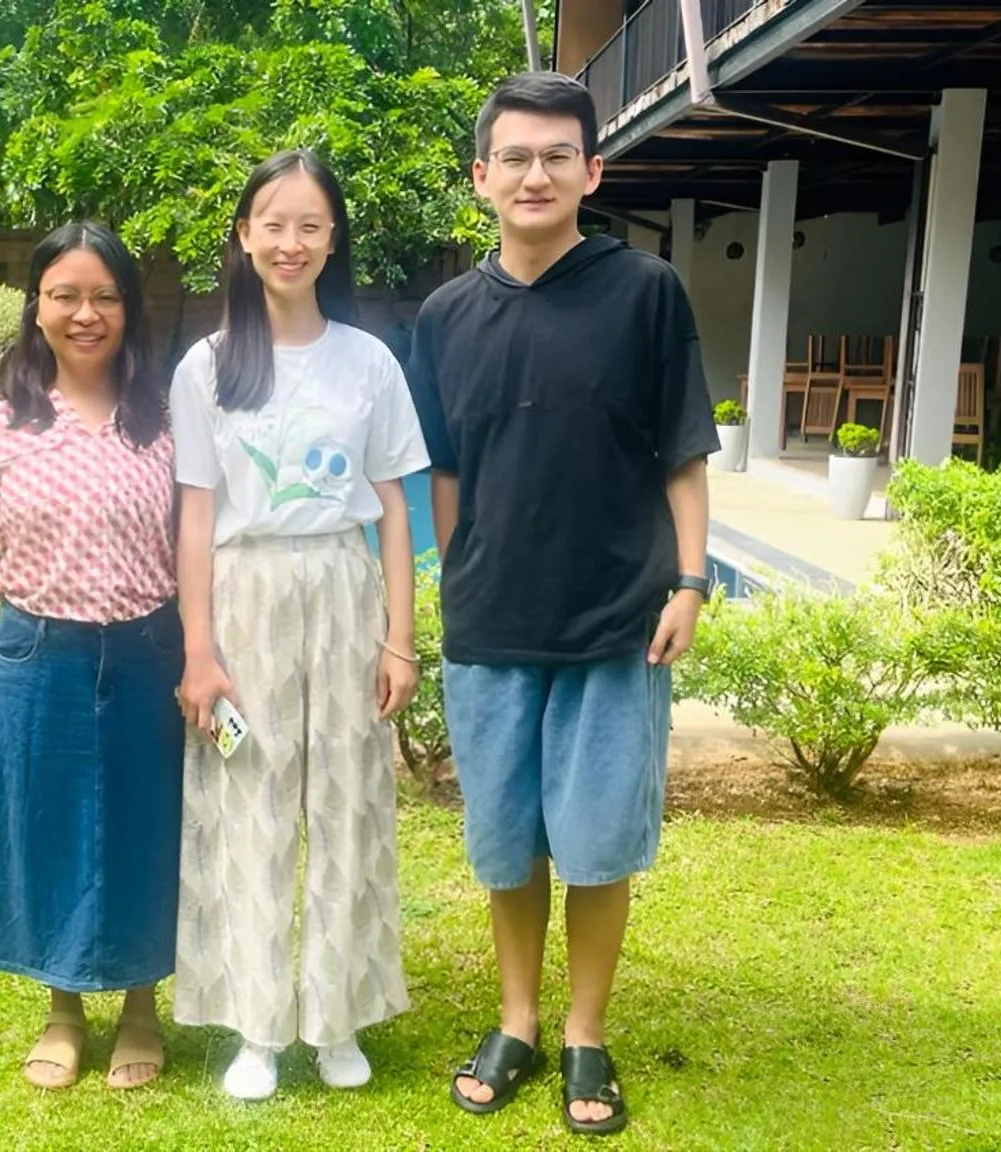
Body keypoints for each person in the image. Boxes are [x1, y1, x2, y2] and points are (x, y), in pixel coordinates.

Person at [404, 72, 716, 1135]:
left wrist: (691, 578)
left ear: (592, 170)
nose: (533, 176)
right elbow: (443, 473)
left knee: (595, 841)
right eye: (513, 158)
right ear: (480, 177)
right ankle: (518, 1020)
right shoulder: (444, 315)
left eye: (556, 157)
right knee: (505, 842)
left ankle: (585, 1032)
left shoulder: (645, 293)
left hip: (614, 620)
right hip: (491, 625)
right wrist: (459, 575)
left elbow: (682, 452)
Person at [170, 149, 430, 1102]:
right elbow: (195, 514)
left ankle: (336, 1017)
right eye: (272, 224)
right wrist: (199, 651)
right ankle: (257, 1025)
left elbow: (396, 508)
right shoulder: (205, 367)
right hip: (244, 600)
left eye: (310, 225)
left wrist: (399, 637)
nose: (290, 242)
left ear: (333, 240)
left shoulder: (369, 361)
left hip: (341, 591)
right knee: (251, 807)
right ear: (243, 237)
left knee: (348, 806)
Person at [0, 220, 184, 1092]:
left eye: (104, 296)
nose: (86, 313)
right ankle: (61, 1009)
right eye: (66, 295)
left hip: (148, 652)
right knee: (45, 830)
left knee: (143, 826)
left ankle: (138, 1007)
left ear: (128, 307)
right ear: (37, 307)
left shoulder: (161, 419)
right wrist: (50, 604)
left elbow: (188, 540)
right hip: (40, 655)